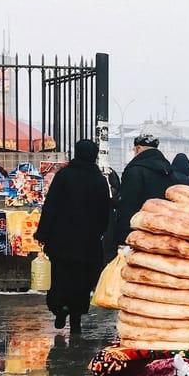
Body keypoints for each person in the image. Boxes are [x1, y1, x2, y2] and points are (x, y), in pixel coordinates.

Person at [34, 139, 111, 333]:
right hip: (87, 242)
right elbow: (105, 212)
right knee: (82, 280)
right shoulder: (99, 180)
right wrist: (99, 233)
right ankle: (76, 318)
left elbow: (50, 206)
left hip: (61, 239)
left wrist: (43, 232)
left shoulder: (64, 176)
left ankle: (60, 308)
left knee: (61, 276)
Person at [111, 134, 174, 248]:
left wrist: (123, 237)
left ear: (138, 148)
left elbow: (128, 205)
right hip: (162, 232)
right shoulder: (169, 172)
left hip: (137, 232)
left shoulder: (135, 171)